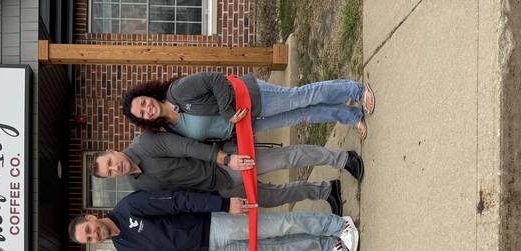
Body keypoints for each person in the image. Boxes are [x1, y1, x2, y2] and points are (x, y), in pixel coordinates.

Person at [69, 189, 359, 251]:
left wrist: (223, 204)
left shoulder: (129, 207)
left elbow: (178, 201)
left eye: (89, 230)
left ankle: (337, 224)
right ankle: (327, 244)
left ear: (92, 217)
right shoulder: (123, 248)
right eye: (89, 240)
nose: (94, 236)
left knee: (279, 226)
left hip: (213, 225)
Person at [90, 131, 363, 214]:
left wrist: (227, 158)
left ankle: (342, 158)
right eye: (110, 172)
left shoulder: (145, 144)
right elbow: (180, 196)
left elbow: (186, 147)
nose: (116, 167)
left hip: (224, 162)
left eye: (110, 162)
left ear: (113, 151)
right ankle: (326, 190)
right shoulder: (140, 187)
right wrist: (220, 204)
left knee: (285, 159)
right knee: (273, 197)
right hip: (219, 189)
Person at [122, 72, 375, 141]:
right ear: (145, 120)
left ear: (148, 95)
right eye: (142, 114)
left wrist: (227, 113)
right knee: (303, 115)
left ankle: (356, 90)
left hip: (250, 98)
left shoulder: (177, 91)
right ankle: (351, 115)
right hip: (246, 126)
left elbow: (215, 80)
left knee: (302, 96)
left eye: (143, 103)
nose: (147, 109)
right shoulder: (171, 129)